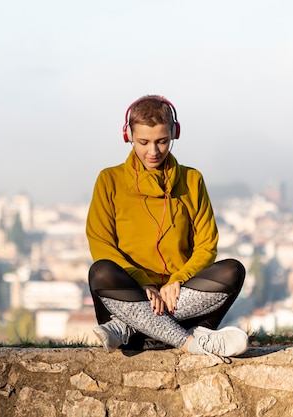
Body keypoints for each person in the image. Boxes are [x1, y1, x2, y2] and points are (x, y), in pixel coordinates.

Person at [86, 95, 248, 358]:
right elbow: (101, 243)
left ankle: (128, 328)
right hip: (132, 293)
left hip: (178, 294)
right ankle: (189, 341)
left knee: (233, 271)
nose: (154, 151)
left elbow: (207, 246)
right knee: (101, 272)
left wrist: (178, 280)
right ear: (128, 136)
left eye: (162, 141)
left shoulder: (192, 180)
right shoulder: (109, 180)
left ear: (174, 133)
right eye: (144, 142)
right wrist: (142, 285)